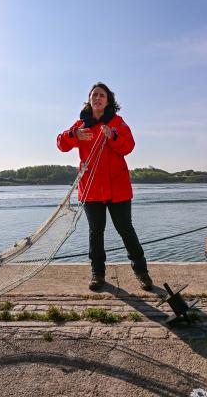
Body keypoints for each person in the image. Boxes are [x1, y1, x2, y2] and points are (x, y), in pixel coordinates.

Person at [57, 83, 153, 292]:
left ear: (108, 100)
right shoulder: (81, 124)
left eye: (102, 95)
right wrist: (74, 135)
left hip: (117, 189)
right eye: (94, 95)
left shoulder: (118, 122)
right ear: (89, 100)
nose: (98, 98)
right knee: (96, 232)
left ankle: (141, 272)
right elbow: (61, 144)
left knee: (125, 229)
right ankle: (97, 274)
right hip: (91, 189)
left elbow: (129, 146)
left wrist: (113, 136)